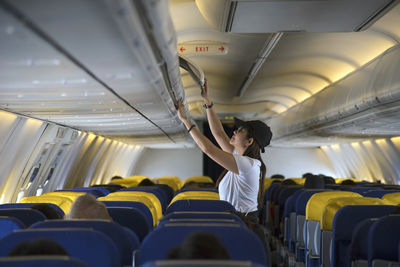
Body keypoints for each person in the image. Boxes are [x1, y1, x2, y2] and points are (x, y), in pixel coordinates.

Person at [175, 79, 272, 223]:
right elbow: (219, 133)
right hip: (234, 220)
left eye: (239, 130)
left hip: (243, 223)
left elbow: (208, 149)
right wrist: (207, 101)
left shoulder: (248, 165)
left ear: (249, 141)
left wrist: (185, 120)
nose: (234, 132)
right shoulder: (240, 158)